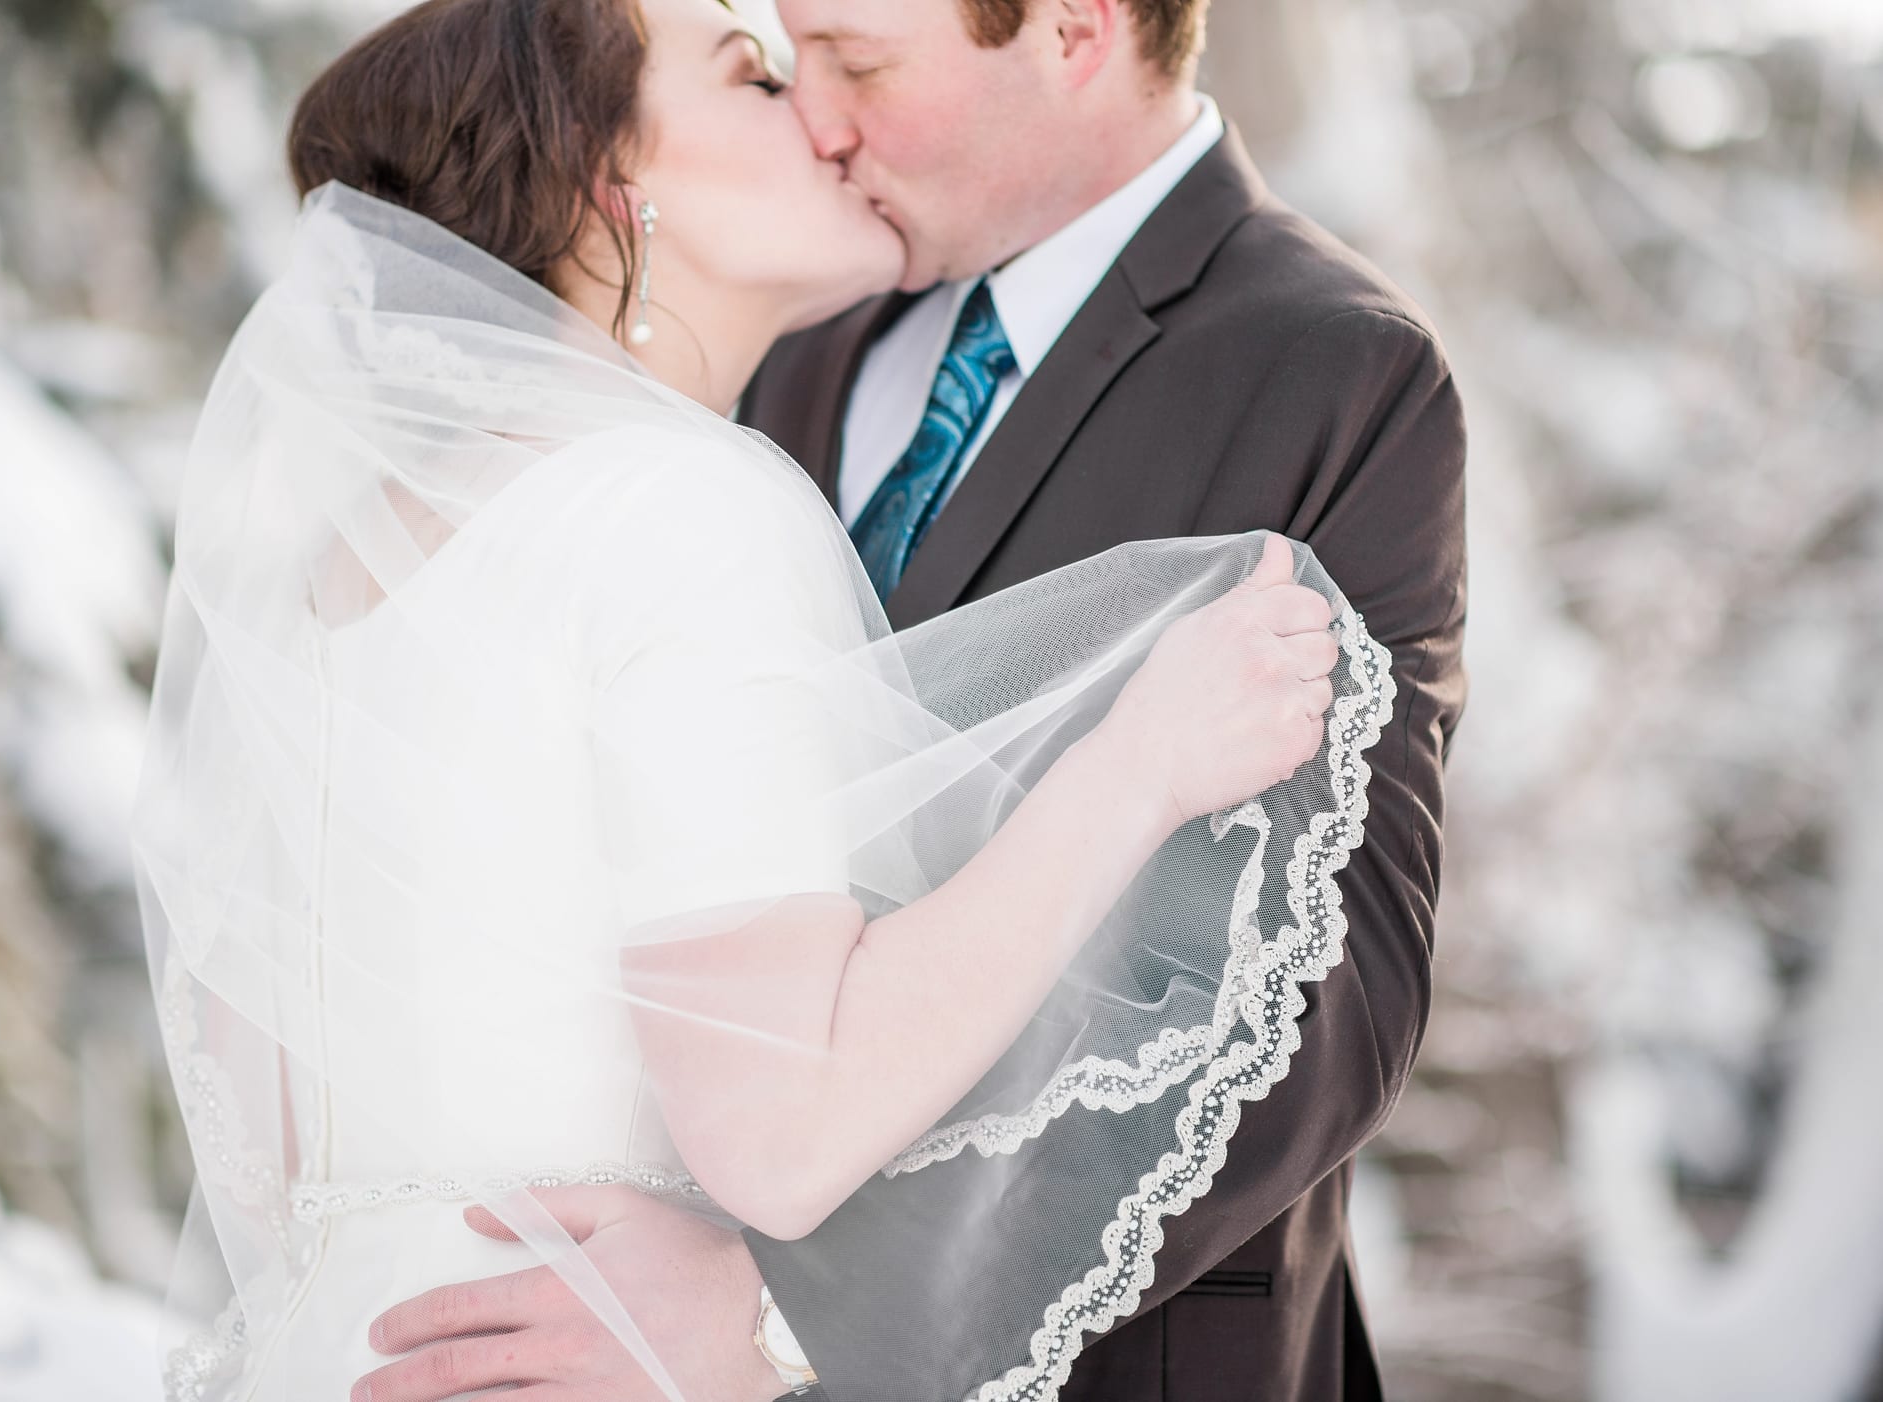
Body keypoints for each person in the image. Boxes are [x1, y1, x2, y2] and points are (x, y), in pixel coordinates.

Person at [131, 2, 1414, 1401]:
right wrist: (1140, 761)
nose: (821, 116)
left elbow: (272, 1119)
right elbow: (782, 1133)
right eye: (758, 76)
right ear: (617, 191)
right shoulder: (686, 499)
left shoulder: (348, 572)